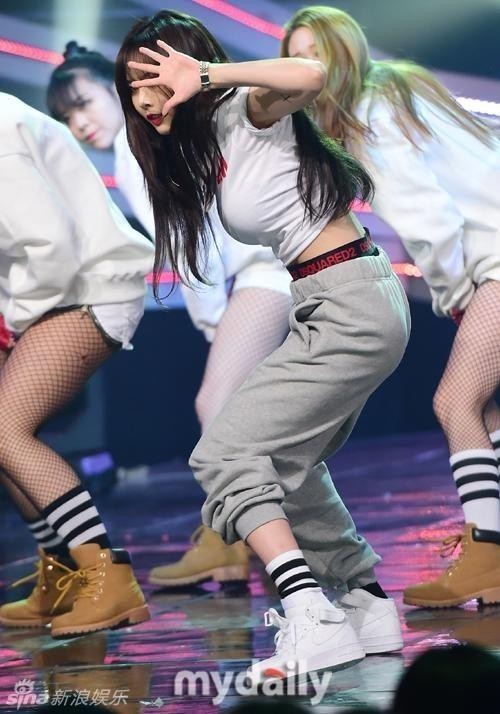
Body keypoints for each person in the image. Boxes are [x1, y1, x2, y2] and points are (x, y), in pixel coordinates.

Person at [116, 9, 410, 681]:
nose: (143, 97)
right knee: (285, 462)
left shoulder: (246, 109)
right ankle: (365, 603)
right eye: (131, 86)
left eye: (152, 77)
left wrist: (207, 75)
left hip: (349, 297)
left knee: (223, 450)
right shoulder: (208, 144)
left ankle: (309, 614)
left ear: (185, 66)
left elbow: (309, 74)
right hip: (334, 295)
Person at [47, 42, 294, 588]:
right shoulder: (145, 142)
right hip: (262, 270)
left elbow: (191, 240)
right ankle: (231, 539)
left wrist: (213, 322)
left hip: (263, 272)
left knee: (218, 408)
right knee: (245, 419)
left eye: (84, 103)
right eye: (66, 117)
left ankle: (235, 541)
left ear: (116, 92)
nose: (78, 123)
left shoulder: (135, 149)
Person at [282, 5, 500, 609]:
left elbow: (431, 219)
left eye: (316, 53)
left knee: (456, 402)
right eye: (295, 58)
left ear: (345, 53)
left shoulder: (369, 118)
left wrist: (454, 294)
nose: (307, 69)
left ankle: (488, 553)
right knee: (484, 412)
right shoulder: (398, 90)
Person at [0, 92, 152, 637]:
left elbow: (49, 244)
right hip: (62, 294)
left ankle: (107, 578)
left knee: (5, 430)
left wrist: (14, 319)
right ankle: (62, 574)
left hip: (89, 291)